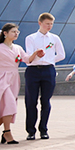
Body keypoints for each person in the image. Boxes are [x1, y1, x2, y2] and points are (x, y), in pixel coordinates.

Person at [0, 23, 37, 145]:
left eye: (17, 32)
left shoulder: (18, 48)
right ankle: (7, 132)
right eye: (13, 31)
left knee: (6, 107)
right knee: (9, 104)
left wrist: (36, 53)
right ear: (5, 33)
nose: (16, 34)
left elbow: (27, 59)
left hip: (14, 79)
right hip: (1, 78)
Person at [23, 12, 64, 140]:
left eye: (51, 24)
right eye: (47, 24)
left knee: (45, 101)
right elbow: (28, 55)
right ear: (40, 23)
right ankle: (31, 130)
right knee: (31, 101)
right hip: (33, 70)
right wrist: (37, 56)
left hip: (48, 70)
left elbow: (61, 55)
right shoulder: (31, 38)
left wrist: (50, 60)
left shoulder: (55, 38)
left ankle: (43, 129)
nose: (49, 26)